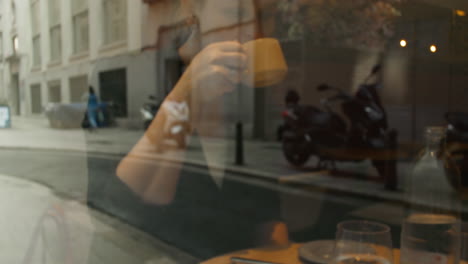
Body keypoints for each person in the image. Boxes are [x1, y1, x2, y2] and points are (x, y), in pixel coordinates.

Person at [86, 0, 289, 259]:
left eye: (264, 18)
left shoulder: (243, 96)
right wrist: (185, 90)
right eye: (235, 14)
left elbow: (271, 227)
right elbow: (118, 204)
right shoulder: (172, 88)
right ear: (193, 16)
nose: (254, 31)